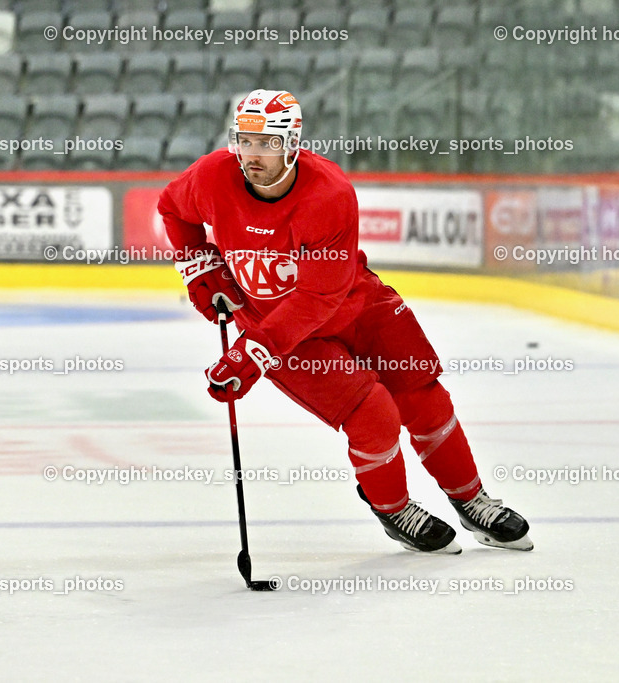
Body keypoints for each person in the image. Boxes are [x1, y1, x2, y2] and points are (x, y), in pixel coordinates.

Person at [158, 89, 532, 554]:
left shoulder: (328, 194)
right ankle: (394, 509)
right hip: (285, 333)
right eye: (245, 141)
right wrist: (202, 269)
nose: (253, 155)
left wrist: (252, 352)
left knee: (425, 398)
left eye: (267, 142)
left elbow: (318, 296)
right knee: (373, 413)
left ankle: (471, 498)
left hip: (353, 304)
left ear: (292, 142)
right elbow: (173, 209)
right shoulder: (213, 176)